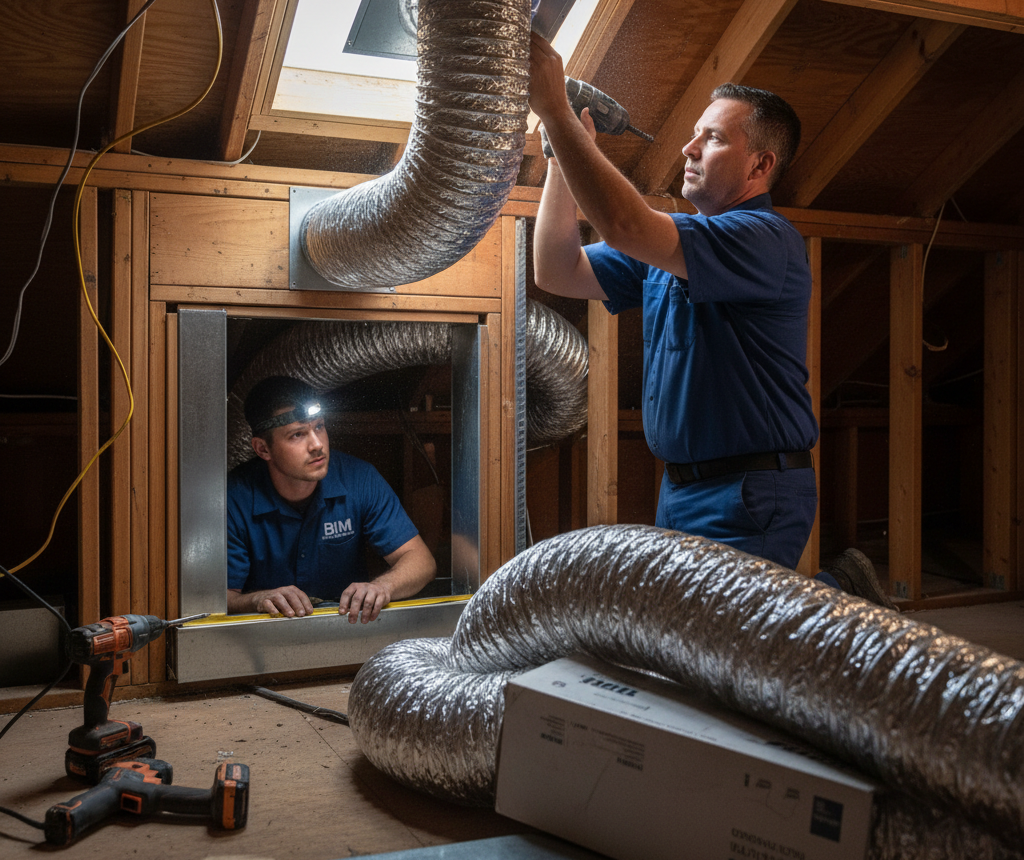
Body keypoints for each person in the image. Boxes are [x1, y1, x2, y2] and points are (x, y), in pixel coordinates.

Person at [528, 31, 893, 608]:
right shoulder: (671, 251)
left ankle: (838, 597)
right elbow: (556, 269)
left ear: (760, 164)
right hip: (682, 486)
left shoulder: (763, 240)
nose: (688, 149)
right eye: (694, 133)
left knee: (720, 648)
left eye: (713, 138)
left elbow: (624, 225)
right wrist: (556, 153)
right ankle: (837, 593)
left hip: (749, 488)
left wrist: (557, 112)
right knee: (695, 645)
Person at [227, 376, 437, 622]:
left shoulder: (358, 478)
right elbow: (219, 599)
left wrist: (382, 587)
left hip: (346, 631)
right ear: (263, 449)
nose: (317, 444)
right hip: (261, 639)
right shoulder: (234, 498)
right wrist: (257, 600)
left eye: (319, 427)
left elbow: (421, 560)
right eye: (297, 435)